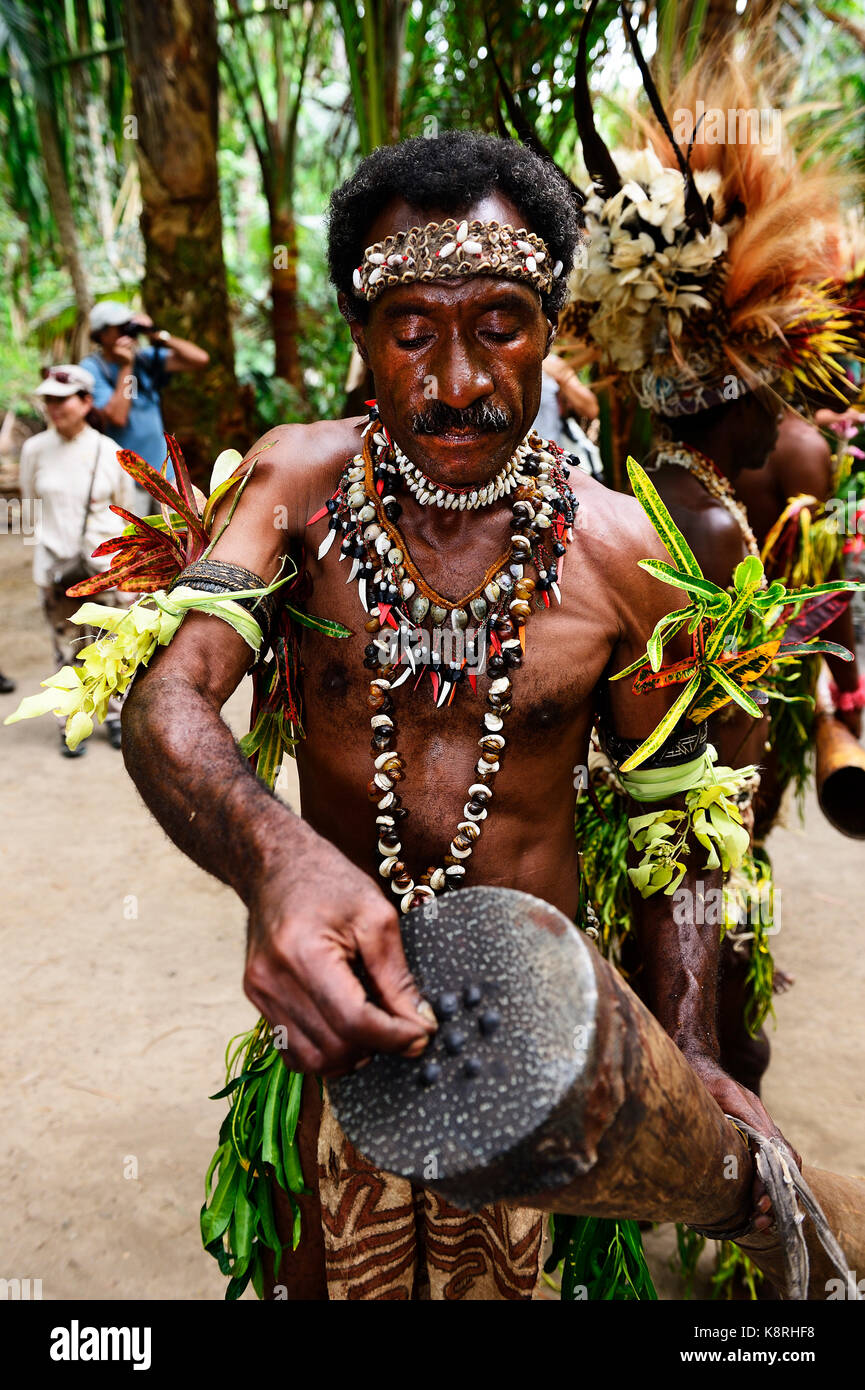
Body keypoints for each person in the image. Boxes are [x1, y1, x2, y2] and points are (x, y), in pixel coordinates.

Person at [118, 130, 787, 1300]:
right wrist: (278, 866)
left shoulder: (625, 554)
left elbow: (681, 827)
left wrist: (684, 1042)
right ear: (363, 336)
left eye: (499, 324)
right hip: (339, 1027)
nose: (459, 382)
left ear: (550, 327)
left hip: (537, 1046)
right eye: (412, 330)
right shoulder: (293, 488)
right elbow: (168, 695)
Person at [18, 365, 138, 755]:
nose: (53, 407)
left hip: (106, 570)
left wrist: (123, 566)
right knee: (66, 649)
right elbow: (28, 503)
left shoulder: (110, 451)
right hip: (56, 569)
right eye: (48, 400)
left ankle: (117, 716)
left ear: (86, 402)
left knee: (112, 647)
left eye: (61, 399)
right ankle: (69, 722)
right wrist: (43, 547)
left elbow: (125, 513)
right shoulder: (35, 450)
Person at [79, 301, 210, 513]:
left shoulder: (145, 359)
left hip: (163, 474)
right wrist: (126, 366)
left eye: (128, 325)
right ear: (101, 335)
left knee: (181, 539)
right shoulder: (91, 368)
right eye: (120, 327)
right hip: (127, 479)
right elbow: (118, 417)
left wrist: (158, 335)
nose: (127, 332)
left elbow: (200, 360)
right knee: (138, 542)